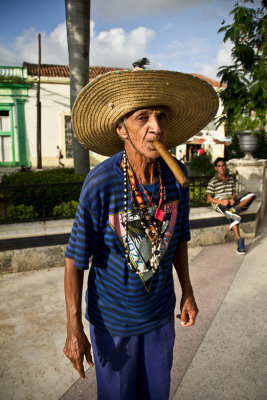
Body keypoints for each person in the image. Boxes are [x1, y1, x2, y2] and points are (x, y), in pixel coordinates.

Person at [63, 65, 219, 400]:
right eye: (143, 118)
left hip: (160, 316)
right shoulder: (101, 182)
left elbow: (178, 241)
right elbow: (75, 260)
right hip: (113, 324)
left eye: (161, 117)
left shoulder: (176, 181)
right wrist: (74, 328)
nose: (156, 128)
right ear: (121, 128)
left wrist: (187, 291)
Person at [206, 157, 255, 254]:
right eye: (219, 166)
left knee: (251, 195)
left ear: (226, 166)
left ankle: (235, 210)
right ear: (216, 168)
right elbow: (209, 198)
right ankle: (239, 241)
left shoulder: (230, 179)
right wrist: (221, 202)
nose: (222, 168)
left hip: (231, 203)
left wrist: (232, 199)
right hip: (220, 204)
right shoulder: (213, 181)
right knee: (234, 217)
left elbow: (233, 193)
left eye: (223, 165)